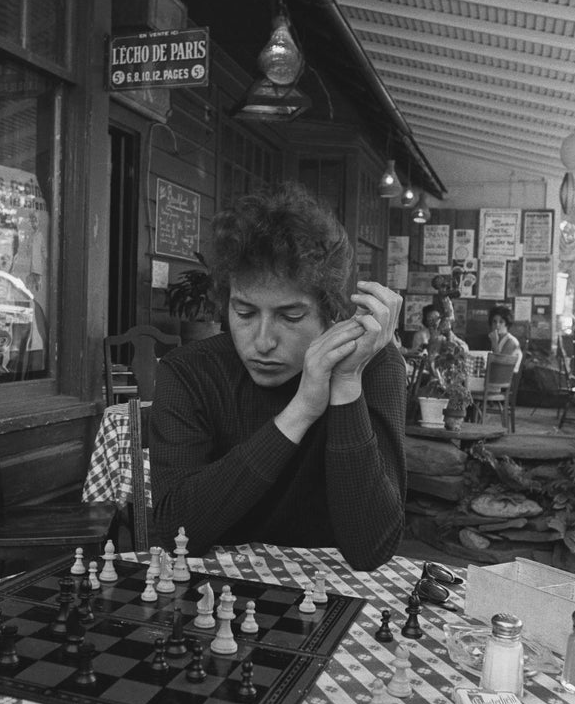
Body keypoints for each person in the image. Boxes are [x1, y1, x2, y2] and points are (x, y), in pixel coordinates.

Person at [149, 183, 407, 571]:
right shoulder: (189, 372)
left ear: (331, 314)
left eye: (290, 316)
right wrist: (301, 410)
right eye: (245, 312)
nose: (263, 341)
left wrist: (346, 383)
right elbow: (175, 532)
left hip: (331, 593)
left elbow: (370, 549)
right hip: (211, 594)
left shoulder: (374, 365)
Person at [488, 305, 522, 370]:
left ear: (507, 324)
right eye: (494, 321)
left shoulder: (511, 341)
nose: (497, 325)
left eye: (501, 322)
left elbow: (499, 365)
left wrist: (494, 343)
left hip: (507, 377)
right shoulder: (499, 338)